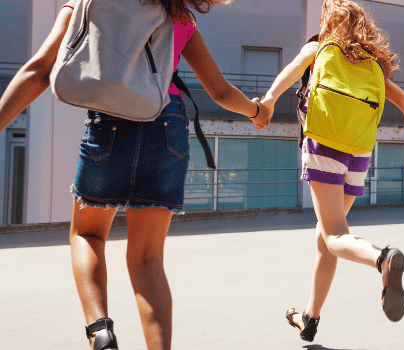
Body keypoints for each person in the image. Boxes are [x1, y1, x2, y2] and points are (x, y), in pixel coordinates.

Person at [0, 1, 271, 349]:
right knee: (147, 258)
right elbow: (219, 91)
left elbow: (38, 70)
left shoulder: (87, 2)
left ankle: (100, 330)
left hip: (110, 123)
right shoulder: (178, 14)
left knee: (87, 233)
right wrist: (257, 111)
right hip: (167, 124)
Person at [258, 0, 404, 342]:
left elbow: (292, 70)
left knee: (335, 236)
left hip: (324, 146)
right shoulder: (373, 64)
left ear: (328, 21)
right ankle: (310, 318)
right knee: (326, 240)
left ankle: (382, 259)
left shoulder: (320, 47)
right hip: (359, 156)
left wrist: (267, 101)